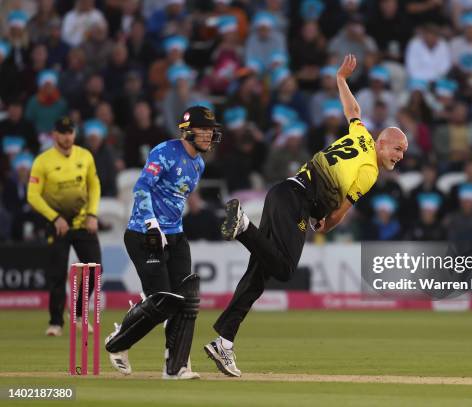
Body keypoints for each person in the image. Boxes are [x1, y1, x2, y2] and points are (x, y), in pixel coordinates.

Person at [204, 54, 408, 377]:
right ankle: (243, 227)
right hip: (298, 201)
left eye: (403, 153)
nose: (400, 156)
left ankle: (223, 342)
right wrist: (323, 224)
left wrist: (341, 79)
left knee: (258, 276)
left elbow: (352, 111)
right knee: (285, 269)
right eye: (397, 149)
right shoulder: (370, 171)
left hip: (283, 191)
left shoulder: (360, 135)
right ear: (382, 143)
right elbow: (342, 210)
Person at [104, 105, 222, 380]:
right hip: (144, 233)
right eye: (203, 130)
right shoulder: (164, 152)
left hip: (175, 235)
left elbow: (179, 200)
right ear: (188, 131)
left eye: (211, 131)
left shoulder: (199, 164)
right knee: (163, 302)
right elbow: (142, 187)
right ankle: (117, 343)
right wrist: (151, 223)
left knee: (186, 299)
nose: (208, 136)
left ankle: (176, 366)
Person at [26, 117, 101, 337]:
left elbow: (94, 185)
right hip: (57, 226)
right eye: (63, 132)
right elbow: (32, 196)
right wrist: (55, 217)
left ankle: (77, 314)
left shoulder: (85, 156)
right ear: (54, 135)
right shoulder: (42, 161)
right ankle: (56, 322)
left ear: (74, 134)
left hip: (82, 223)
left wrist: (93, 214)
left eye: (70, 132)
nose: (67, 136)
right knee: (57, 274)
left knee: (95, 270)